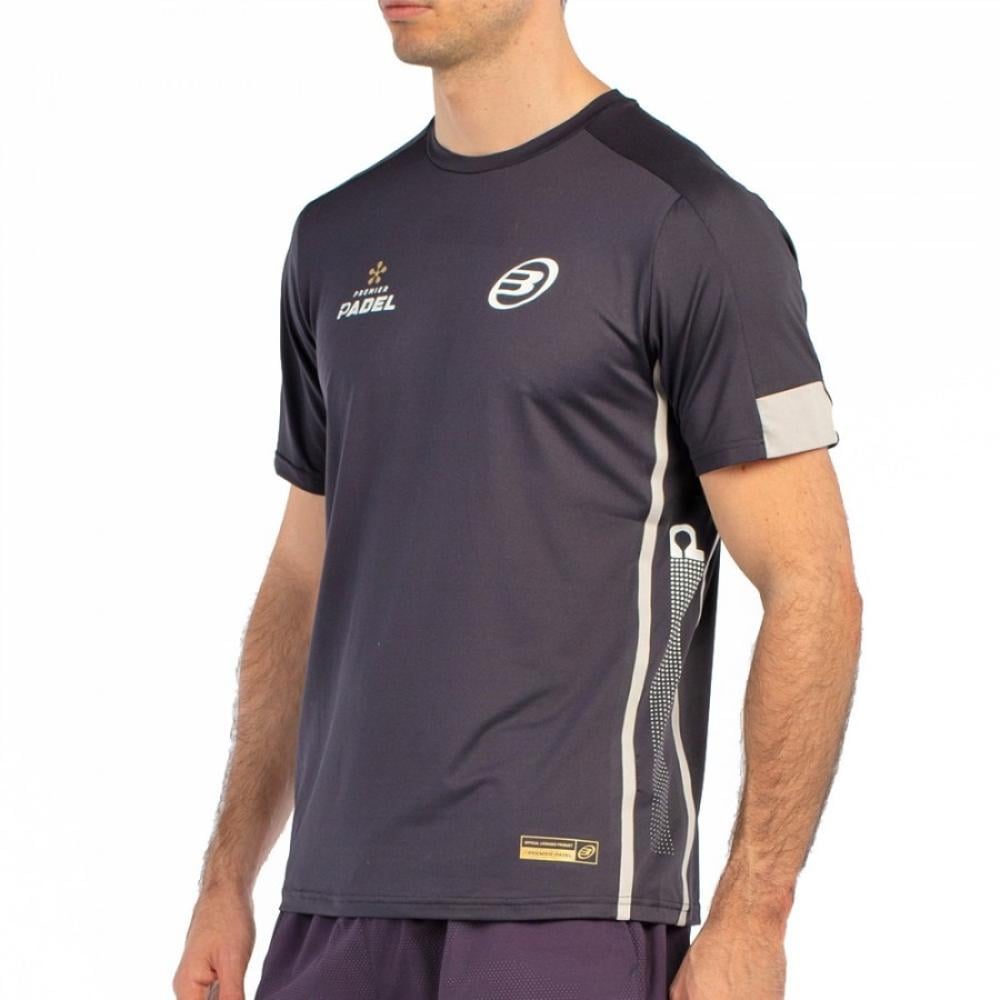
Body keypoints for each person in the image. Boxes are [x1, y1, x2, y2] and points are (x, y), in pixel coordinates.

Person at [172, 1, 863, 997]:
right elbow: (300, 572)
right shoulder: (334, 237)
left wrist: (755, 911)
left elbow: (812, 582)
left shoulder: (690, 223)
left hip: (569, 907)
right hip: (333, 908)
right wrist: (227, 874)